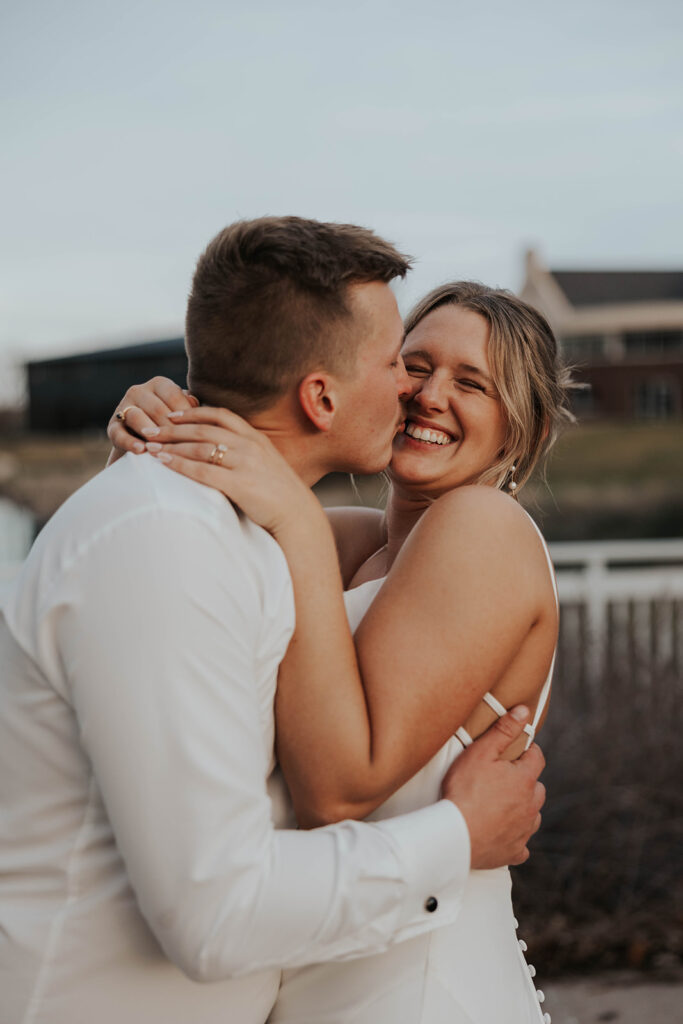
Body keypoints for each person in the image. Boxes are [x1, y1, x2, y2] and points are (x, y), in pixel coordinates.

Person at [0, 219, 545, 1024]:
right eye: (410, 363)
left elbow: (337, 789)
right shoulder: (340, 542)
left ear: (519, 425)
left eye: (472, 383)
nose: (422, 393)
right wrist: (154, 436)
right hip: (310, 972)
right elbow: (184, 568)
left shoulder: (479, 529)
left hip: (413, 989)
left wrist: (290, 509)